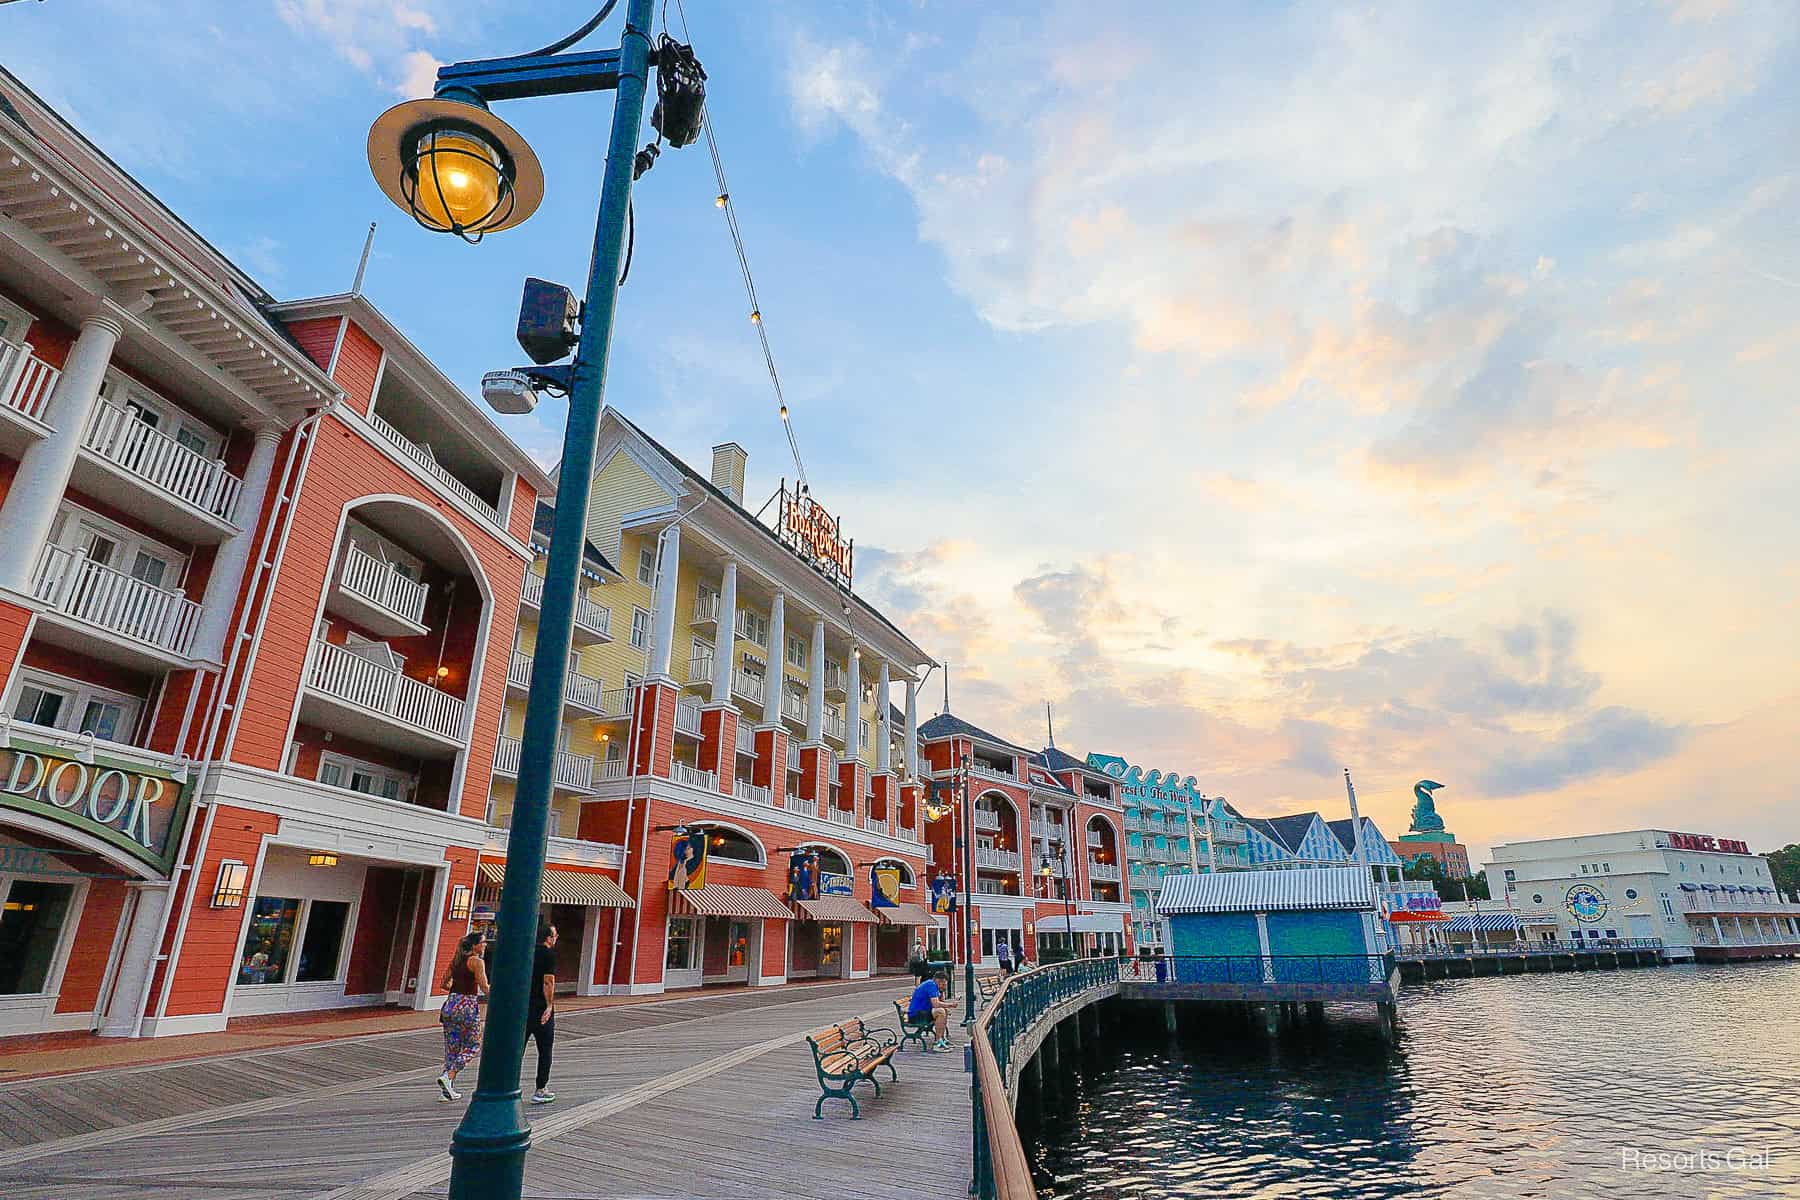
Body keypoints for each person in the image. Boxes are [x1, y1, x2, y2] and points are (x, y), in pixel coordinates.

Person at [437, 931, 488, 1101]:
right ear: (475, 945)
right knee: (473, 1044)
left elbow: (443, 983)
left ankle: (447, 1089)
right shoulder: (477, 961)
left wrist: (456, 990)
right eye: (483, 942)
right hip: (467, 1006)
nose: (485, 945)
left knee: (452, 1048)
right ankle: (449, 1075)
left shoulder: (456, 960)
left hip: (451, 1004)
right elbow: (484, 986)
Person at [526, 921, 559, 1105]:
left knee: (518, 1048)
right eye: (555, 936)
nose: (556, 938)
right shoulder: (548, 955)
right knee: (545, 1050)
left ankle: (509, 1083)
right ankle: (541, 1089)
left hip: (523, 1006)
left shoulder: (527, 952)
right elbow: (548, 982)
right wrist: (549, 1006)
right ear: (548, 938)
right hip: (540, 1006)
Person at [908, 969, 954, 1051]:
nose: (944, 986)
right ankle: (937, 1042)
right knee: (940, 1011)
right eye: (943, 984)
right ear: (938, 981)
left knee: (944, 1010)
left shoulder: (932, 985)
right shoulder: (931, 985)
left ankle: (942, 1038)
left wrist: (942, 991)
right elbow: (935, 1004)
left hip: (922, 1013)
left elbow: (940, 1001)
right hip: (916, 1016)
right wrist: (950, 1005)